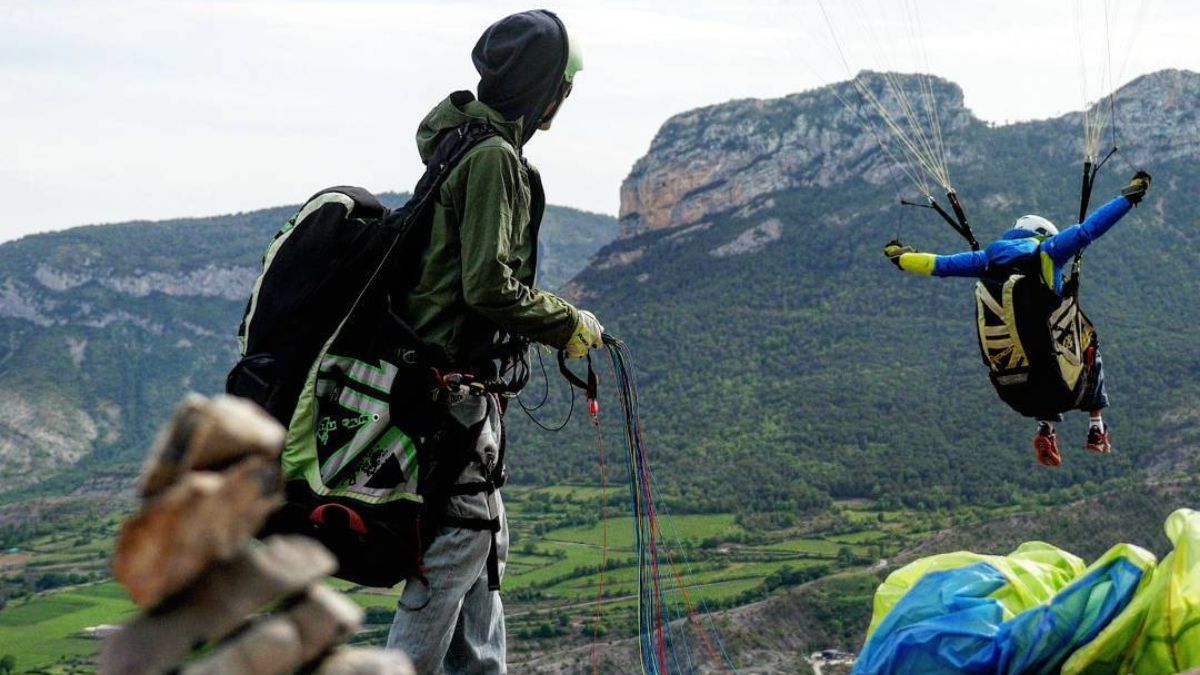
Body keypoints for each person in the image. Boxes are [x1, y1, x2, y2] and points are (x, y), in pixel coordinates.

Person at [385, 10, 602, 673]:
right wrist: (568, 323)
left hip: (451, 399)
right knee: (455, 558)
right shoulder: (493, 159)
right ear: (545, 93)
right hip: (452, 401)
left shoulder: (465, 144)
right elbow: (486, 285)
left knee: (481, 553)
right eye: (562, 87)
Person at [883, 171, 1151, 467]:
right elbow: (1089, 230)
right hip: (1060, 383)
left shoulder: (985, 260)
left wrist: (902, 258)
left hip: (1015, 390)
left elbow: (940, 265)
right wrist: (1129, 198)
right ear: (1043, 234)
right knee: (1087, 341)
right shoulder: (1048, 252)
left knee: (1035, 349)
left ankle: (1045, 428)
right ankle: (1096, 428)